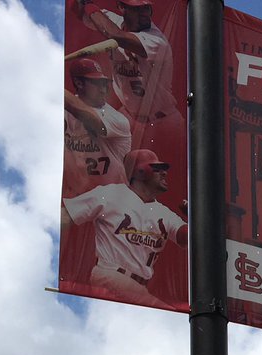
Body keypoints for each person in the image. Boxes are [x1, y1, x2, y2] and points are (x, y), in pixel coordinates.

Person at [61, 148, 187, 305]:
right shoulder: (111, 194)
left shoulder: (164, 213)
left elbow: (186, 238)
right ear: (141, 172)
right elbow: (66, 215)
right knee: (164, 314)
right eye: (157, 168)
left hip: (137, 286)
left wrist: (197, 217)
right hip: (111, 275)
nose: (164, 173)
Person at [86, 0, 184, 147]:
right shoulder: (113, 22)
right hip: (129, 117)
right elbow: (83, 13)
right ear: (121, 7)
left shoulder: (156, 40)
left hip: (163, 121)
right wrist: (83, 5)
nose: (144, 13)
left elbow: (115, 36)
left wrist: (89, 6)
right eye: (137, 9)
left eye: (146, 8)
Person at [63, 57, 131, 198]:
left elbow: (90, 118)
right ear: (78, 83)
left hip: (113, 200)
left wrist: (54, 87)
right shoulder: (64, 111)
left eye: (104, 84)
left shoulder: (116, 119)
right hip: (78, 198)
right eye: (97, 84)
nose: (103, 90)